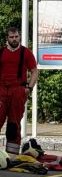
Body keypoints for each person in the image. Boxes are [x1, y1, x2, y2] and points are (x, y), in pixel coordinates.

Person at [0, 27, 39, 155]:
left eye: (16, 36)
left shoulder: (26, 53)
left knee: (13, 125)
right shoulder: (1, 52)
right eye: (11, 37)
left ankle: (12, 155)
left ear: (19, 37)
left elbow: (34, 71)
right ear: (7, 38)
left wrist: (29, 88)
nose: (14, 39)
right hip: (1, 91)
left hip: (18, 91)